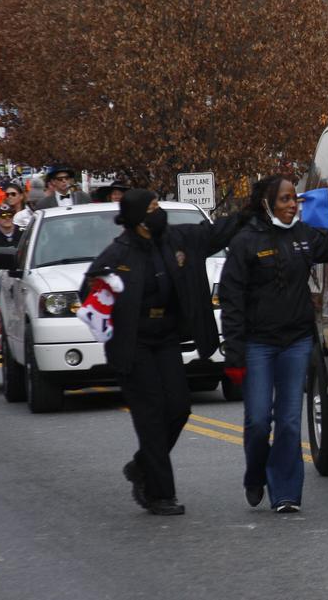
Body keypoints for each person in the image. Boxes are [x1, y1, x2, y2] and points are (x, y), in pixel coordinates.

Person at [219, 175, 328, 513]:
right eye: (285, 200)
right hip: (257, 344)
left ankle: (286, 492)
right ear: (267, 204)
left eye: (295, 199)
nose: (293, 205)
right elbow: (231, 300)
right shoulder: (245, 242)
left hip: (296, 341)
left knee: (289, 421)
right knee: (259, 421)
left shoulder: (304, 237)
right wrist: (233, 351)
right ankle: (254, 473)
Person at [81, 189, 245, 516]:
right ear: (139, 219)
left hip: (167, 338)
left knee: (179, 407)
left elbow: (216, 232)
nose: (159, 212)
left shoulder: (178, 239)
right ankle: (159, 493)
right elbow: (89, 291)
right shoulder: (118, 255)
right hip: (134, 344)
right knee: (151, 413)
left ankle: (143, 464)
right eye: (153, 208)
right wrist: (105, 289)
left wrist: (253, 207)